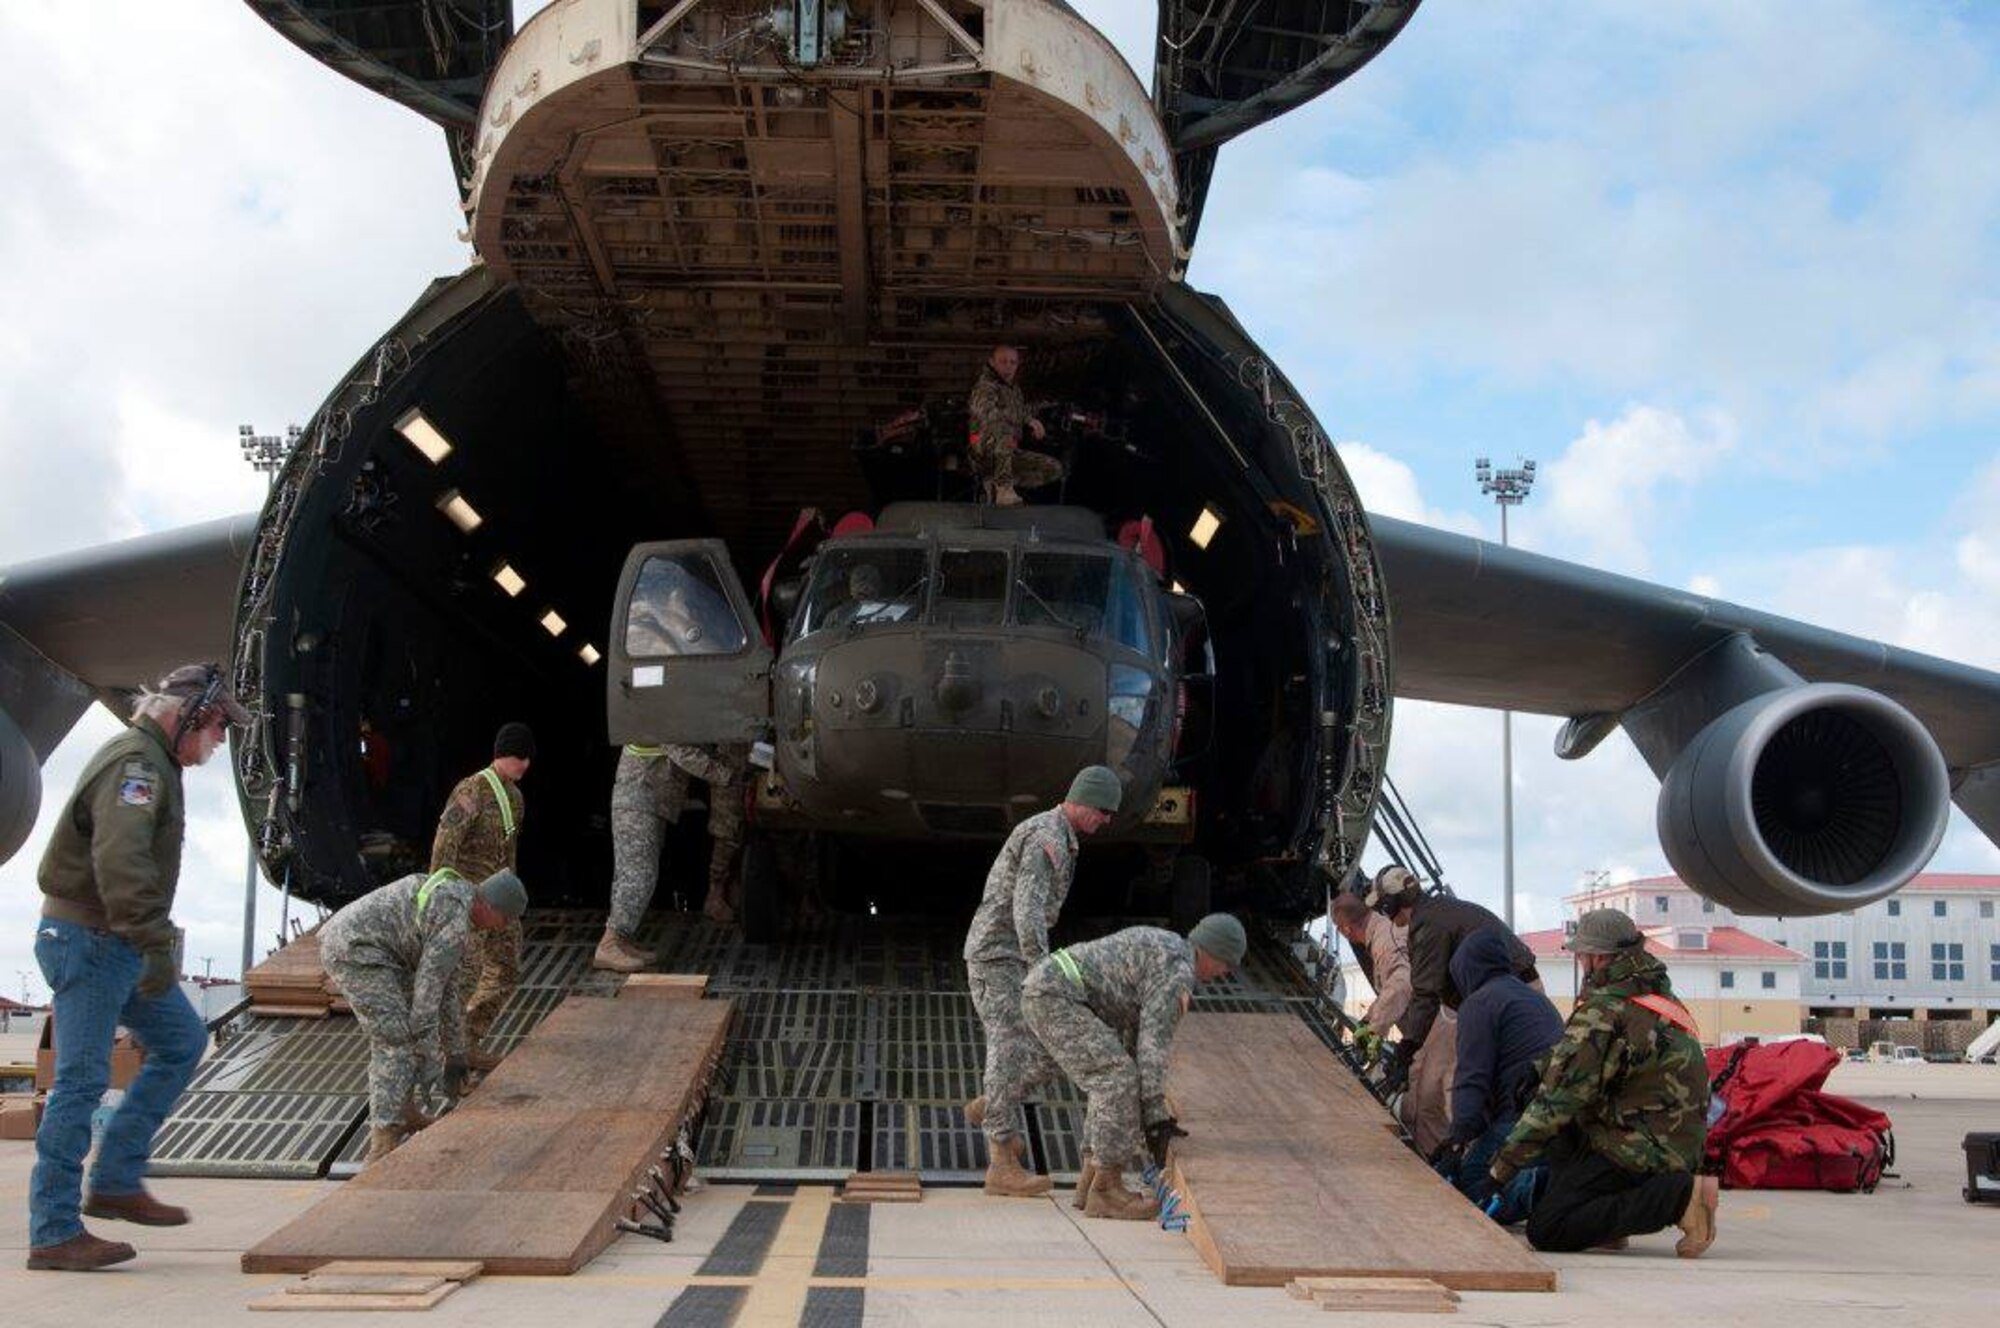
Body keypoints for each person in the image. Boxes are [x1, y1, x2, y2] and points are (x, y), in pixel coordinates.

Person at [27, 663, 248, 1272]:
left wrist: (145, 944)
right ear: (187, 719)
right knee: (79, 1080)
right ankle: (53, 1231)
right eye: (218, 728)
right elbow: (120, 861)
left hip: (114, 939)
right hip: (93, 938)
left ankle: (117, 1177)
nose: (220, 741)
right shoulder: (139, 766)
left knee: (182, 1039)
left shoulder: (154, 763)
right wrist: (154, 945)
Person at [1488, 908, 1718, 1256]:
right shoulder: (1652, 995)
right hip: (1664, 1137)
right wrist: (1540, 1068)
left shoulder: (1605, 1010)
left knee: (1550, 1228)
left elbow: (1558, 1101)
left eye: (1581, 954)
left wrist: (1499, 1171)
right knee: (1545, 1100)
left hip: (1643, 1149)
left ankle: (1682, 1198)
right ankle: (1608, 1224)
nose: (1580, 962)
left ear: (1596, 957)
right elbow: (1595, 1062)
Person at [1018, 914, 1246, 1219]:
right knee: (1118, 1080)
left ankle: (1090, 1180)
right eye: (1226, 965)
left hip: (1052, 990)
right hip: (1058, 996)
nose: (1224, 973)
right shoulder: (1177, 973)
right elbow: (1153, 1047)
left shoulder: (1167, 947)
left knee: (1113, 1078)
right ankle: (1106, 1192)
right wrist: (1155, 1118)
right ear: (1212, 951)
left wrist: (1150, 1113)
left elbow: (1133, 1038)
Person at [961, 765, 1122, 1197]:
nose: (1105, 820)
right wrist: (1041, 970)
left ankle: (993, 1103)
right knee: (1009, 1042)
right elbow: (1027, 911)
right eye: (1103, 811)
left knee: (1056, 1045)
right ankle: (1001, 1161)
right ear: (1084, 800)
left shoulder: (1061, 837)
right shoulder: (1047, 838)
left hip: (1014, 956)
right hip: (998, 956)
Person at [321, 868, 529, 1166]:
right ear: (489, 906)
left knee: (406, 1035)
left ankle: (406, 1113)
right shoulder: (455, 922)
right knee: (395, 1041)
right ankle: (383, 1138)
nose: (502, 927)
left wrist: (457, 1055)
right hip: (357, 952)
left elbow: (449, 992)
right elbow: (427, 1000)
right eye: (505, 918)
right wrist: (433, 1058)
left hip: (386, 954)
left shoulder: (459, 901)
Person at [1368, 865, 1538, 1155]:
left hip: (1497, 1004)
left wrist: (1407, 1048)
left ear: (1390, 903)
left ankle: (1458, 1162)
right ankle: (1452, 1158)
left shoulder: (1428, 925)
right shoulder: (1439, 912)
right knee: (1435, 1083)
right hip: (1508, 995)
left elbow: (1426, 993)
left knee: (1461, 1087)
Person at [1432, 929, 1564, 1215]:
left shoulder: (1479, 1004)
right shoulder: (1535, 999)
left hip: (1521, 1121)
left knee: (1468, 1191)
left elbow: (1472, 1079)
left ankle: (1540, 1188)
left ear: (1466, 970)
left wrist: (1457, 1140)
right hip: (1560, 1123)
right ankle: (1554, 1177)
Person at [431, 723, 533, 1070]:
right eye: (522, 758)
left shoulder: (515, 798)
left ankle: (469, 1040)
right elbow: (446, 842)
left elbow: (510, 852)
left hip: (499, 903)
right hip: (466, 903)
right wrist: (440, 900)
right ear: (510, 756)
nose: (526, 766)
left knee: (506, 970)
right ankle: (446, 1054)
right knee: (465, 977)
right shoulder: (471, 789)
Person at [595, 741, 744, 971]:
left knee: (635, 874)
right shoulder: (659, 716)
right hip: (639, 801)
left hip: (648, 802)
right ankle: (609, 944)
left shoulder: (661, 714)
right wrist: (726, 775)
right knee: (638, 875)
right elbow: (682, 752)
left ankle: (622, 942)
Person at [966, 344, 1062, 506]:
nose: (1008, 366)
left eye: (1013, 362)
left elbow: (1020, 410)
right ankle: (1003, 488)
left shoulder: (1014, 390)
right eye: (1003, 361)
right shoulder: (985, 387)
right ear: (992, 362)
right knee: (1002, 429)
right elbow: (989, 414)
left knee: (1053, 469)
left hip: (1007, 452)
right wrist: (1027, 420)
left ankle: (994, 482)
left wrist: (1039, 410)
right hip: (983, 450)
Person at [1330, 891, 1409, 1062]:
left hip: (1441, 1023)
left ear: (1345, 929)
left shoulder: (1385, 941)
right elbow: (1392, 987)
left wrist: (1376, 1026)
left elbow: (1402, 982)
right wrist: (1369, 1019)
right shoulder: (1383, 930)